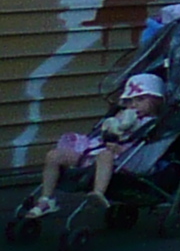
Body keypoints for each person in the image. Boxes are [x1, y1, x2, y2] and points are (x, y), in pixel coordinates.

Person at [16, 75, 171, 220]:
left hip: (124, 159)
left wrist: (118, 147)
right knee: (53, 155)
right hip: (93, 152)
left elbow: (143, 148)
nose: (133, 105)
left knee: (105, 155)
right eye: (130, 101)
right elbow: (105, 132)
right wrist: (114, 124)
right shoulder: (123, 115)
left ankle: (98, 193)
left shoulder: (154, 124)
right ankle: (46, 199)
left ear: (156, 101)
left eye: (140, 99)